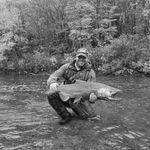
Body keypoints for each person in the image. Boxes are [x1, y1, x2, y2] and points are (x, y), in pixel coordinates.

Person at [46, 47, 97, 125]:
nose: (81, 59)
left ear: (87, 59)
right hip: (65, 95)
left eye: (84, 58)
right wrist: (52, 83)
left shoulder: (91, 73)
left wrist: (92, 99)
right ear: (76, 57)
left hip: (79, 99)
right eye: (80, 57)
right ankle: (65, 116)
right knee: (51, 94)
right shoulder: (66, 67)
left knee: (92, 118)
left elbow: (92, 90)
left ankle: (80, 111)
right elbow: (52, 77)